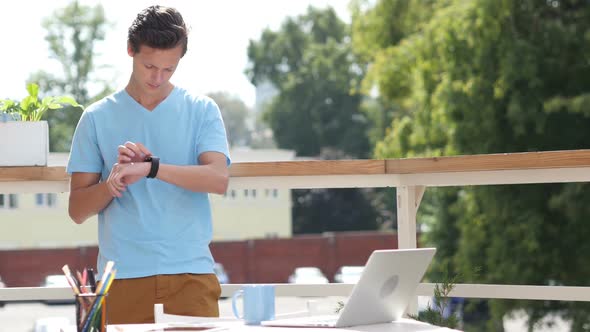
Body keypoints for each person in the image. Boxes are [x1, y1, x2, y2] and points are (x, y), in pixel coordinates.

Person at [67, 5, 230, 324]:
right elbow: (76, 210)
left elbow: (218, 179)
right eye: (149, 65)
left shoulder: (202, 110)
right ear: (130, 50)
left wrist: (151, 168)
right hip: (121, 279)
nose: (158, 77)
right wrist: (111, 185)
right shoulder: (96, 118)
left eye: (169, 69)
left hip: (191, 276)